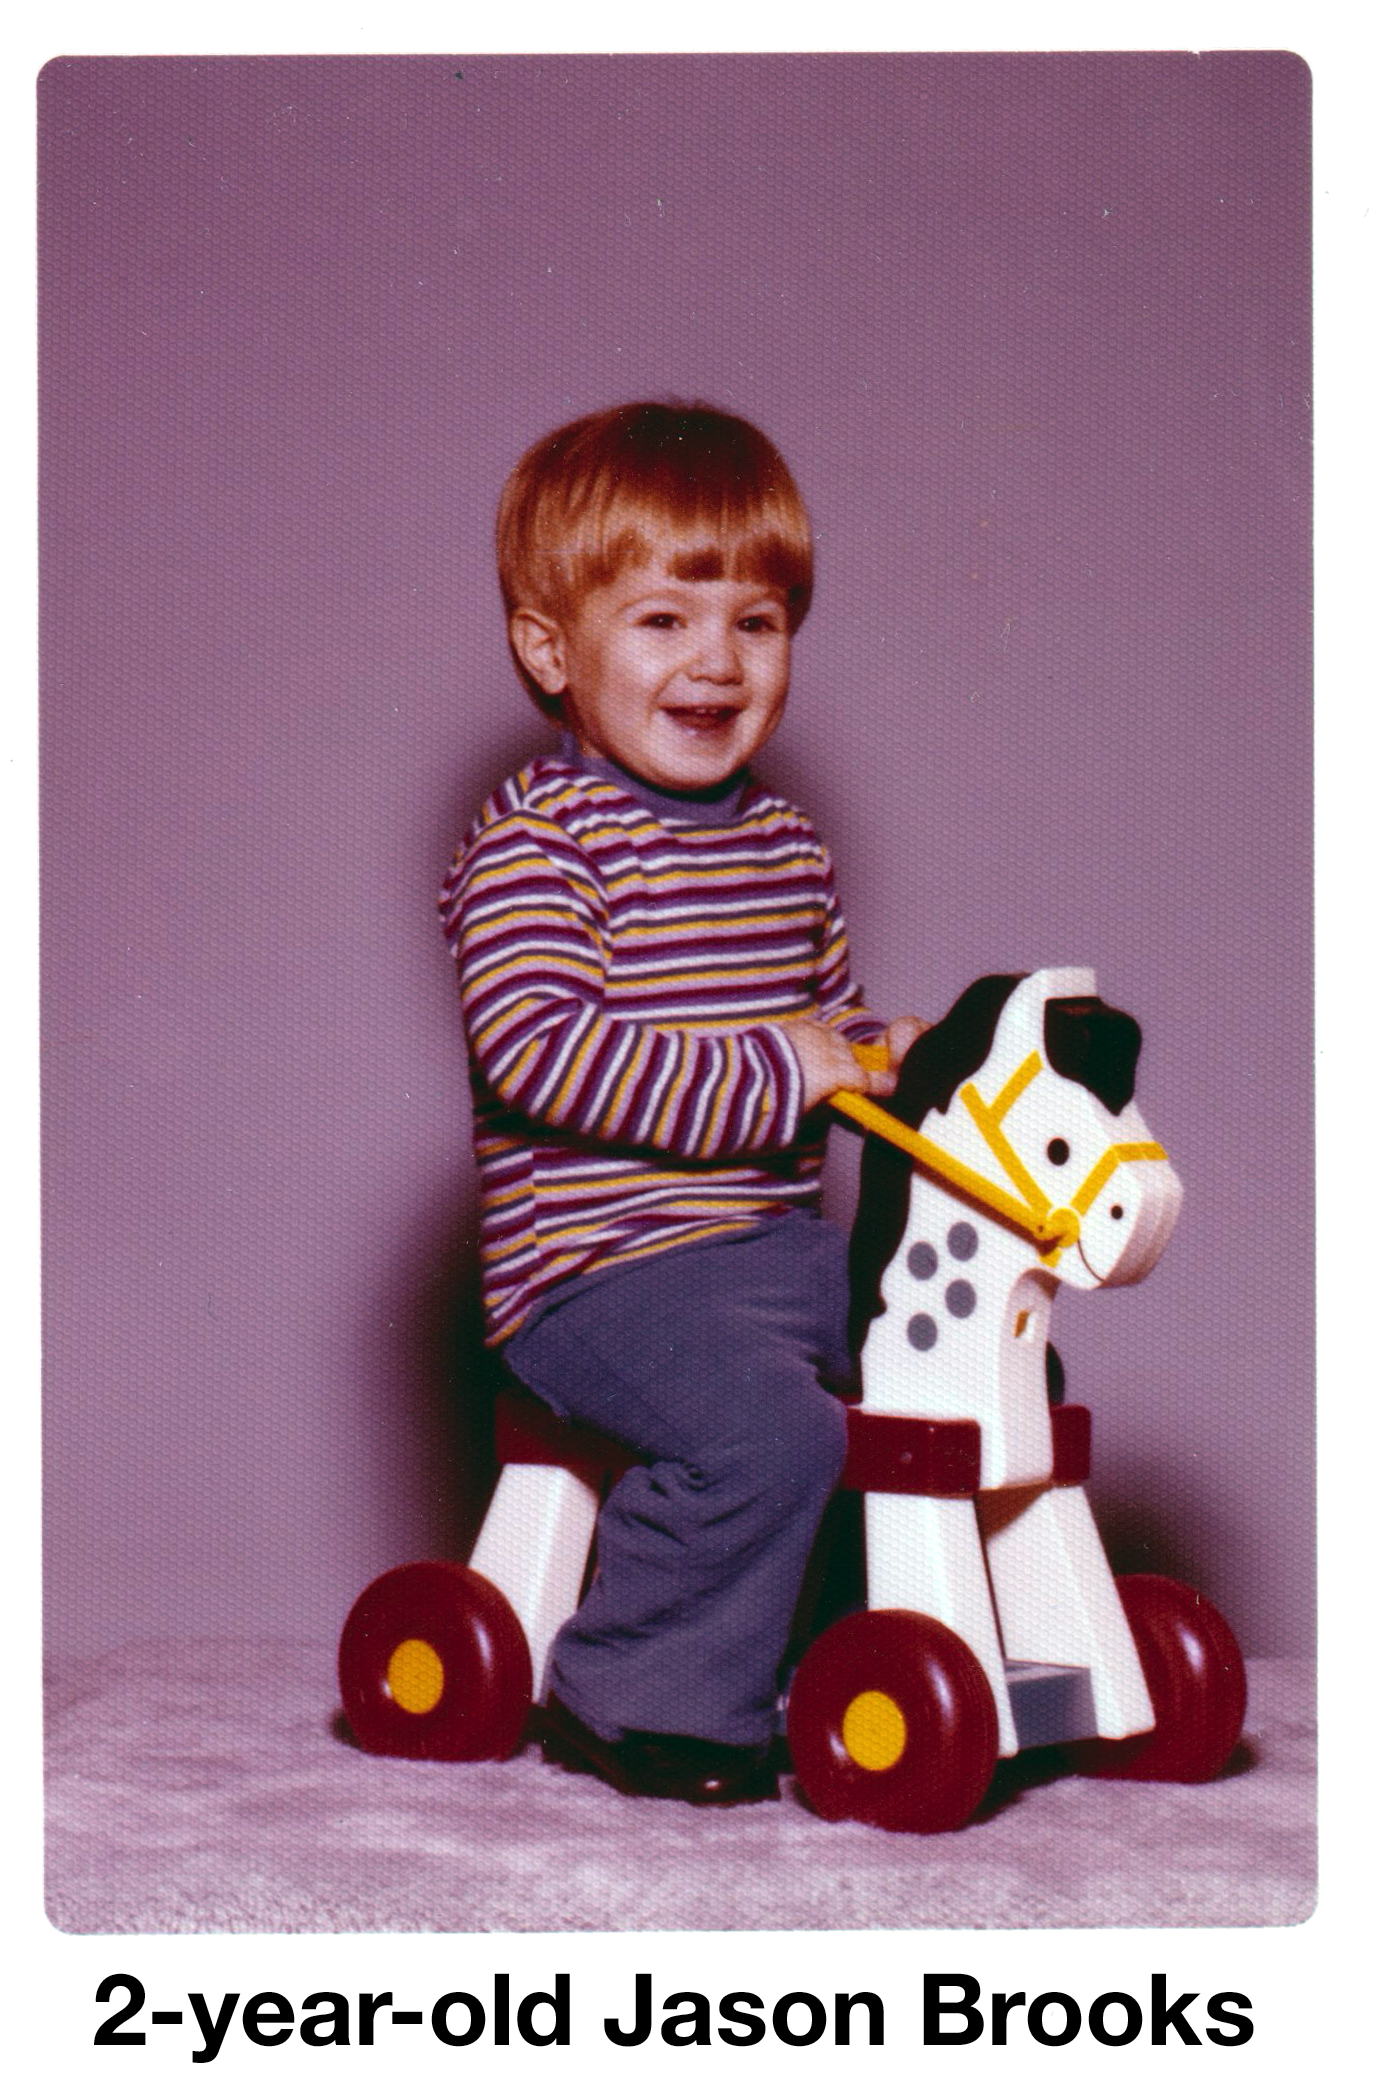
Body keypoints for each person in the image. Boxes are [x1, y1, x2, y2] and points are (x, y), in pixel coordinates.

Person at [439, 401, 925, 1805]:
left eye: (758, 623)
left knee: (972, 1364)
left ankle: (887, 1643)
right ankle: (637, 1685)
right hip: (601, 1275)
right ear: (553, 648)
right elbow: (540, 1052)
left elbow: (818, 1034)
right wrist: (793, 1062)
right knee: (770, 1433)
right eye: (662, 621)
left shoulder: (787, 843)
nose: (716, 660)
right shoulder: (539, 844)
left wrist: (879, 1052)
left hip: (771, 1255)